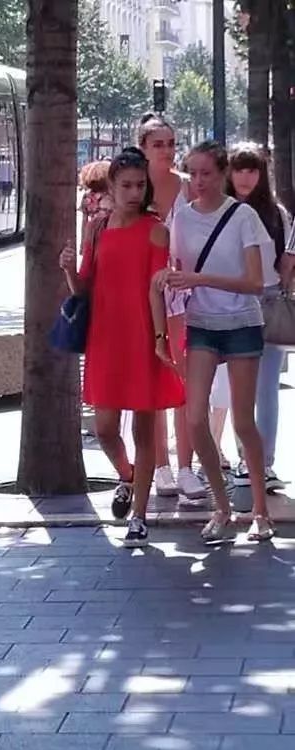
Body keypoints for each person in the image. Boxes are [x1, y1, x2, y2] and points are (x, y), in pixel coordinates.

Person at [60, 148, 185, 548]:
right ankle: (128, 477)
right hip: (105, 336)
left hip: (144, 336)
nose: (134, 191)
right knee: (105, 428)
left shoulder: (156, 230)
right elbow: (84, 287)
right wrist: (67, 268)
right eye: (126, 185)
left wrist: (162, 340)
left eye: (139, 184)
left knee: (146, 431)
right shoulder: (98, 228)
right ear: (111, 186)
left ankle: (139, 516)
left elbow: (156, 290)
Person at [159, 140, 274, 543]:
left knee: (243, 420)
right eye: (192, 173)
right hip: (202, 322)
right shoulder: (182, 219)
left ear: (222, 173)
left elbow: (255, 283)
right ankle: (221, 507)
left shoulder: (242, 216)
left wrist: (197, 279)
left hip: (241, 321)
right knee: (194, 418)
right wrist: (170, 277)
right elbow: (172, 264)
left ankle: (260, 510)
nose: (199, 181)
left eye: (206, 173)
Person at [138, 113, 206, 503]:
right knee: (151, 378)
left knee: (181, 376)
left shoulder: (186, 188)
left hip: (179, 293)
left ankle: (186, 467)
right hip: (142, 293)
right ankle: (159, 465)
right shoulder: (133, 186)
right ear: (143, 147)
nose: (166, 150)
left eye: (170, 143)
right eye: (158, 144)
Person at [225, 142, 291, 492]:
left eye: (252, 170)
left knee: (265, 388)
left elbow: (285, 262)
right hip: (228, 303)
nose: (246, 176)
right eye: (239, 168)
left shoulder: (276, 213)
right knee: (237, 388)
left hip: (266, 301)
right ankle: (243, 459)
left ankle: (262, 461)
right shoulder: (220, 210)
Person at [78, 160, 112, 248]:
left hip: (92, 235)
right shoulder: (111, 196)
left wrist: (83, 242)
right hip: (107, 234)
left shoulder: (87, 196)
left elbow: (84, 222)